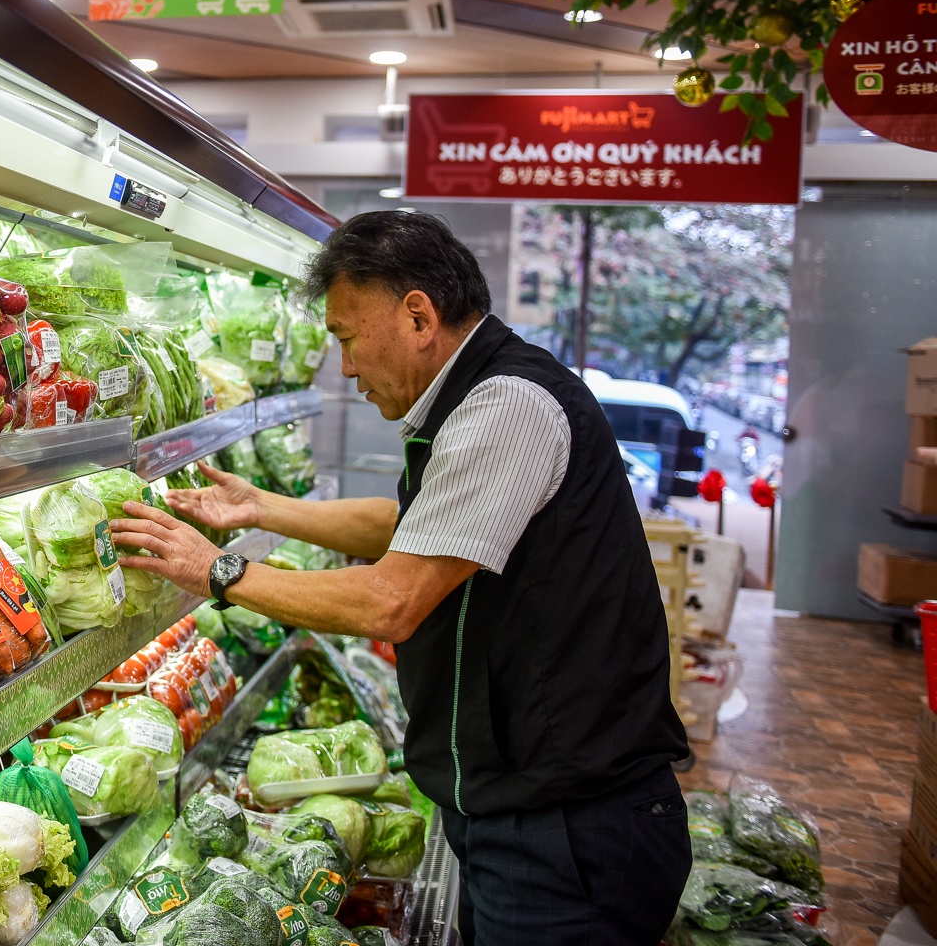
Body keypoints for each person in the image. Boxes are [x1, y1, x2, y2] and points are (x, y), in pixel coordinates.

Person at [113, 210, 691, 946]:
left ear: (417, 315)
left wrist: (218, 571)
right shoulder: (480, 398)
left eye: (347, 339)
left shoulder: (506, 405)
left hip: (567, 834)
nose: (345, 368)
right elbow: (411, 530)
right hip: (528, 812)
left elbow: (393, 599)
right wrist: (263, 508)